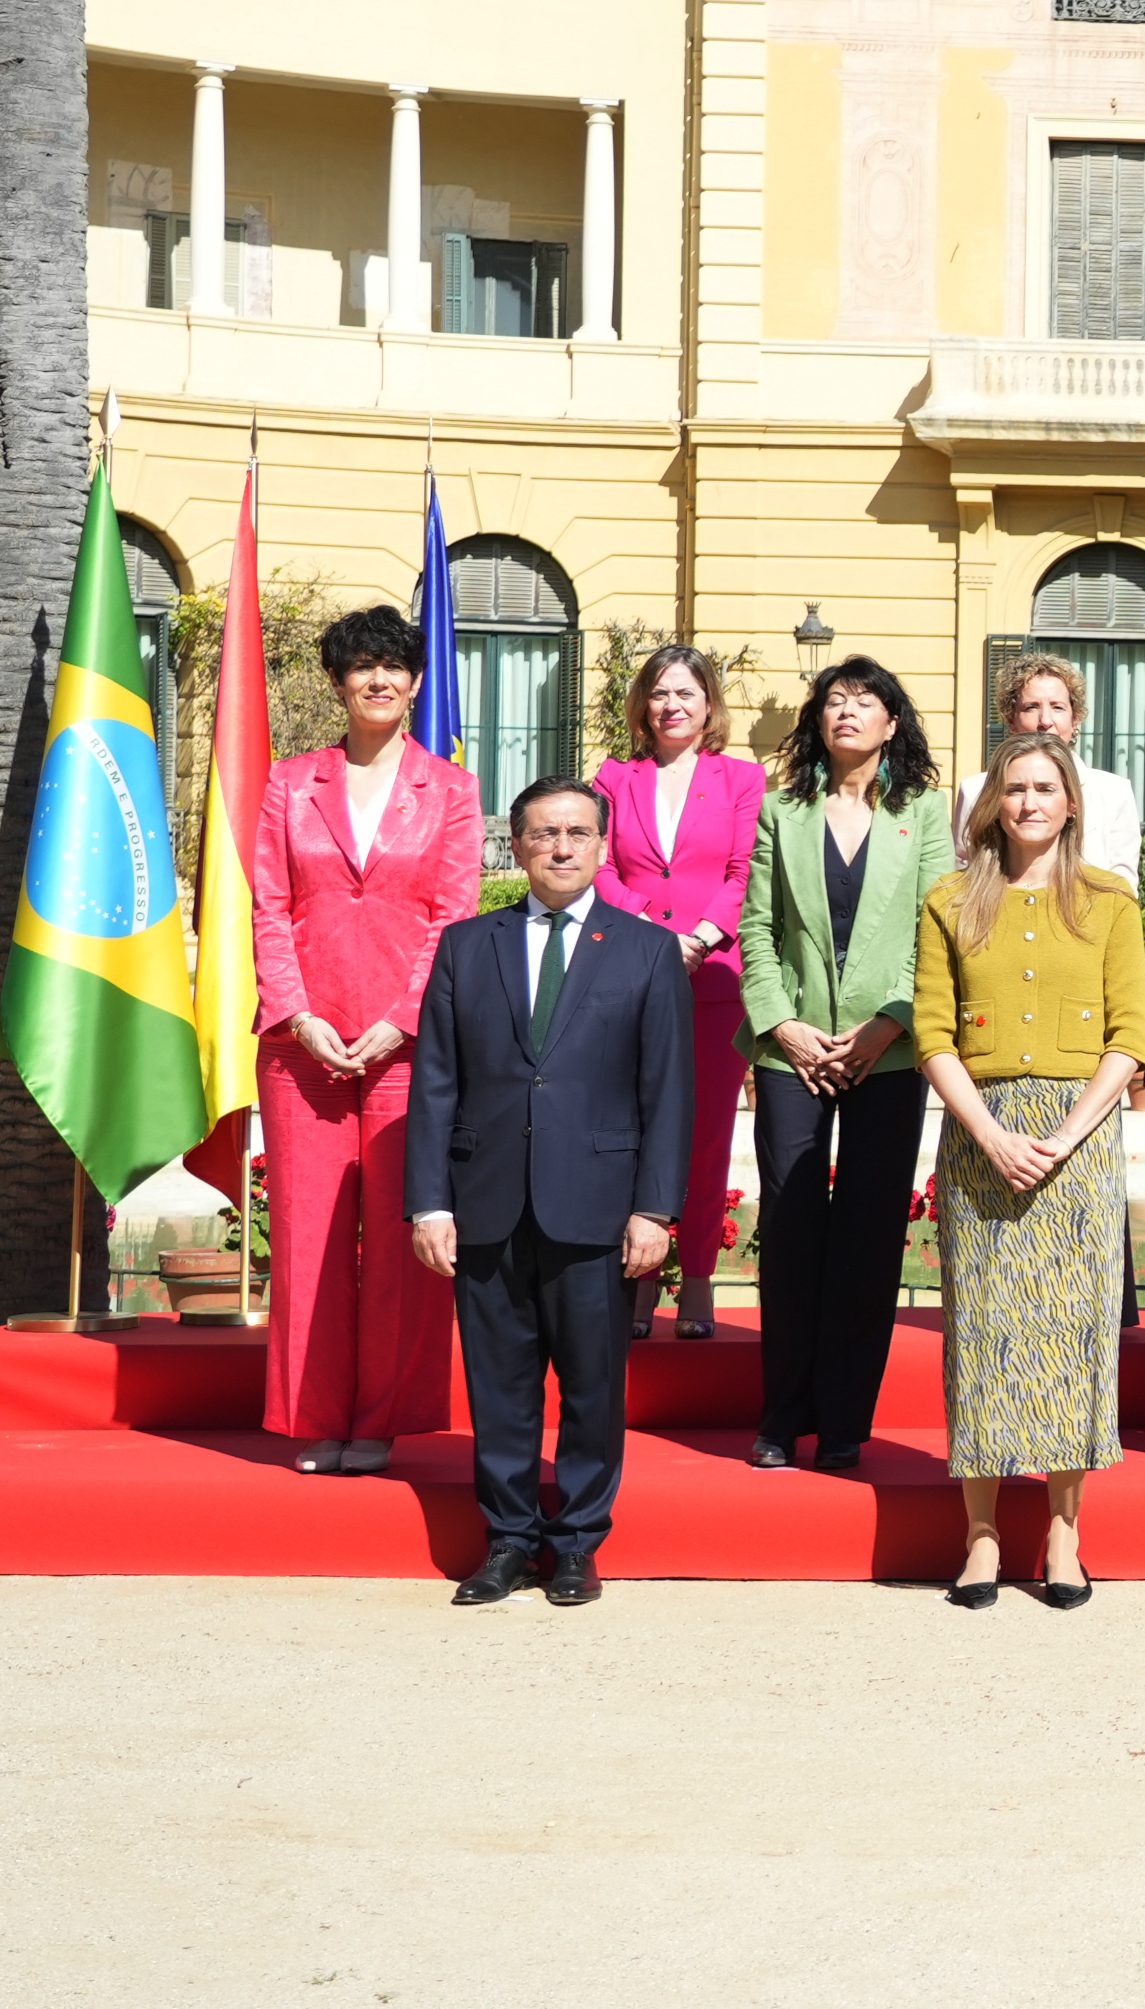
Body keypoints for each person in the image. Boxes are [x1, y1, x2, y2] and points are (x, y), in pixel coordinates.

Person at [404, 781, 690, 1609]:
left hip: (598, 1206)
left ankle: (576, 1544)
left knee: (594, 1388)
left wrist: (655, 1208)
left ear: (601, 846)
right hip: (487, 1202)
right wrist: (430, 1203)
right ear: (517, 846)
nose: (561, 848)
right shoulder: (467, 946)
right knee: (499, 1387)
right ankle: (508, 1540)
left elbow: (668, 1091)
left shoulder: (647, 951)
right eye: (543, 834)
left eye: (577, 833)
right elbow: (436, 1082)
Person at [245, 604, 482, 1476]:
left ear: (416, 683)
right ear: (338, 683)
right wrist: (298, 1014)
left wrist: (401, 1022)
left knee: (401, 1239)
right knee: (306, 1239)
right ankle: (314, 1416)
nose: (378, 680)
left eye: (394, 667)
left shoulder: (450, 789)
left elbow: (453, 916)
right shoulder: (289, 782)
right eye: (361, 667)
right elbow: (267, 906)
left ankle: (384, 1416)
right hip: (300, 1048)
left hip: (409, 1048)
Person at [914, 736, 1145, 1611]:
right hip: (982, 1136)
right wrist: (990, 1135)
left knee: (1072, 1334)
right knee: (982, 1333)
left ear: (1072, 802)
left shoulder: (1108, 902)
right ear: (994, 803)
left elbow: (1131, 1034)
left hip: (1077, 1142)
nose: (1029, 802)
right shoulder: (948, 902)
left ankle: (1063, 1532)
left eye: (1046, 787)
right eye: (1015, 788)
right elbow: (933, 1033)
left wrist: (1066, 1133)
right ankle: (980, 1534)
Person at [734, 656, 950, 1474]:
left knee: (869, 1233)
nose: (847, 712)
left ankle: (845, 1423)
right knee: (791, 1228)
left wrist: (889, 1025)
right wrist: (781, 1024)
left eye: (865, 702)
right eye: (834, 700)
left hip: (887, 1053)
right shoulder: (782, 809)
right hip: (791, 1050)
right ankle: (781, 1417)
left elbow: (936, 930)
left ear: (892, 723)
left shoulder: (923, 812)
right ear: (817, 719)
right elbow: (757, 929)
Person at [587, 643, 764, 1343]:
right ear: (643, 704)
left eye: (686, 692)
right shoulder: (613, 777)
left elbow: (746, 868)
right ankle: (639, 1277)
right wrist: (655, 935)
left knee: (707, 1133)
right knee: (632, 1128)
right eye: (660, 692)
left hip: (713, 977)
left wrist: (701, 937)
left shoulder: (742, 779)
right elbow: (599, 866)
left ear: (708, 704)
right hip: (630, 973)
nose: (672, 705)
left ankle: (697, 1278)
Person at [967, 651, 1145, 883]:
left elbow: (1124, 886)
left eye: (1057, 707)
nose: (1045, 721)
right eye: (1031, 707)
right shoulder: (974, 791)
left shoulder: (1114, 792)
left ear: (1075, 719)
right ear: (1011, 719)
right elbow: (967, 876)